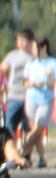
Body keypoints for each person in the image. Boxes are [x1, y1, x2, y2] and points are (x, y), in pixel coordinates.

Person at [23, 37, 55, 168]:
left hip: (46, 98)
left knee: (39, 127)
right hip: (32, 97)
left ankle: (21, 152)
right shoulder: (31, 64)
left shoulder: (52, 63)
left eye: (36, 48)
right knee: (35, 129)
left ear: (43, 48)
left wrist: (46, 83)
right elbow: (24, 82)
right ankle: (42, 159)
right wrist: (31, 83)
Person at [0, 29, 35, 142]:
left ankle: (26, 154)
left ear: (30, 42)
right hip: (13, 96)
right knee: (10, 126)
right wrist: (4, 83)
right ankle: (10, 153)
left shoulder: (34, 57)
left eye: (23, 40)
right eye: (19, 40)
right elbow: (1, 70)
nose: (20, 43)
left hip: (28, 97)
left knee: (28, 127)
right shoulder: (12, 55)